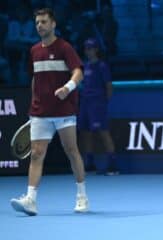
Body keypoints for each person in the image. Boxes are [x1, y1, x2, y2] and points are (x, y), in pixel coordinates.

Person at [10, 8, 89, 216]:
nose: (40, 26)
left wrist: (67, 88)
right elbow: (35, 79)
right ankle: (31, 200)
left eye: (44, 22)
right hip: (40, 112)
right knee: (36, 154)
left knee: (72, 151)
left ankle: (82, 196)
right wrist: (33, 106)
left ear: (53, 24)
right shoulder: (34, 50)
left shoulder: (65, 48)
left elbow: (79, 72)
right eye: (37, 22)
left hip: (64, 110)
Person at [78, 37, 118, 175]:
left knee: (103, 132)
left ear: (96, 49)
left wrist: (103, 103)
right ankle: (90, 163)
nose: (88, 51)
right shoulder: (85, 66)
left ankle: (113, 165)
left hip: (97, 103)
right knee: (85, 132)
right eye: (86, 48)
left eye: (90, 48)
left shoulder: (102, 66)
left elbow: (108, 87)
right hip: (85, 103)